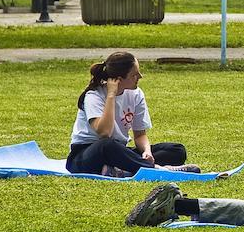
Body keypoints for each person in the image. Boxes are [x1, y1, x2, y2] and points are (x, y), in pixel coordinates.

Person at [66, 51, 199, 176]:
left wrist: (147, 151)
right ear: (119, 79)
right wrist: (111, 95)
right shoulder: (93, 96)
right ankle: (158, 170)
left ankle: (122, 170)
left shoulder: (136, 94)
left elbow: (140, 134)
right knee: (107, 145)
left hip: (118, 151)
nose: (140, 76)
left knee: (176, 150)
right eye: (134, 75)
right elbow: (105, 132)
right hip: (85, 156)